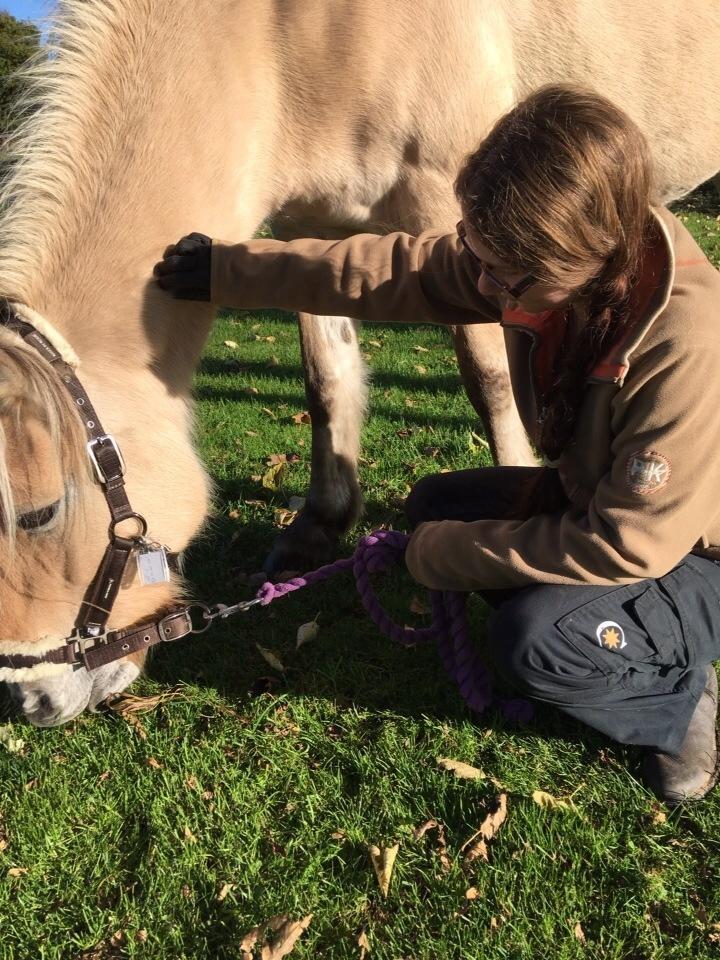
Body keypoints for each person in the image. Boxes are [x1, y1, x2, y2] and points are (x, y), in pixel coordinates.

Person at [154, 85, 720, 806]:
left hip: (691, 551)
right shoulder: (549, 265)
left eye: (503, 276)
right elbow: (395, 271)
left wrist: (441, 557)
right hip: (600, 499)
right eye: (479, 259)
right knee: (433, 505)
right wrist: (229, 270)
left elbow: (631, 545)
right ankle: (618, 633)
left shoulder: (687, 344)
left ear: (585, 254)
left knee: (533, 639)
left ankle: (673, 696)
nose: (483, 287)